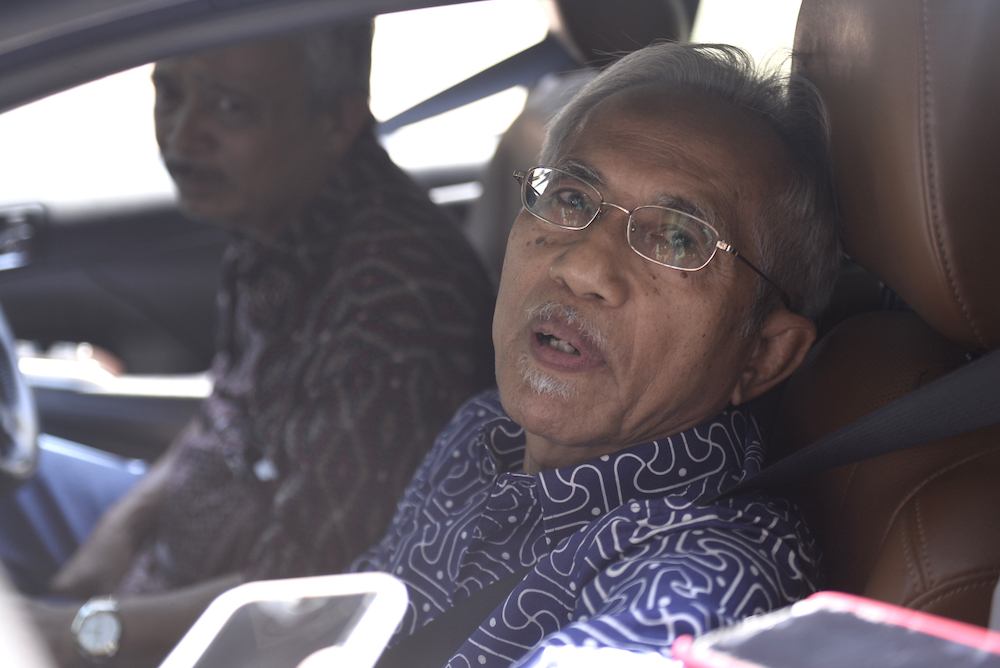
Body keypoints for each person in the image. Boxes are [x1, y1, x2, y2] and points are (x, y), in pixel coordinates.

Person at [8, 20, 495, 668]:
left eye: (231, 107)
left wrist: (76, 632)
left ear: (335, 120)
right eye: (169, 93)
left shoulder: (391, 312)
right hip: (176, 551)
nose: (182, 136)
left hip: (226, 622)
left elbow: (302, 602)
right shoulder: (274, 215)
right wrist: (113, 540)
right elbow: (226, 410)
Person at [351, 42, 841, 667]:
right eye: (573, 199)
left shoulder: (706, 584)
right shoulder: (480, 432)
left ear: (764, 355)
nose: (582, 265)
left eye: (676, 236)